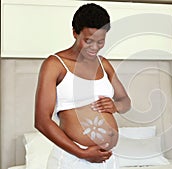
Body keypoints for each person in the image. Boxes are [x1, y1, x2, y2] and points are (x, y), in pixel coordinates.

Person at [34, 3, 131, 169]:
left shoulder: (103, 64)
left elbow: (125, 101)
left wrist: (116, 106)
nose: (95, 47)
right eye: (88, 41)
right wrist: (82, 152)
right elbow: (42, 121)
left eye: (100, 41)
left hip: (107, 160)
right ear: (75, 33)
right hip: (73, 159)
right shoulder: (55, 65)